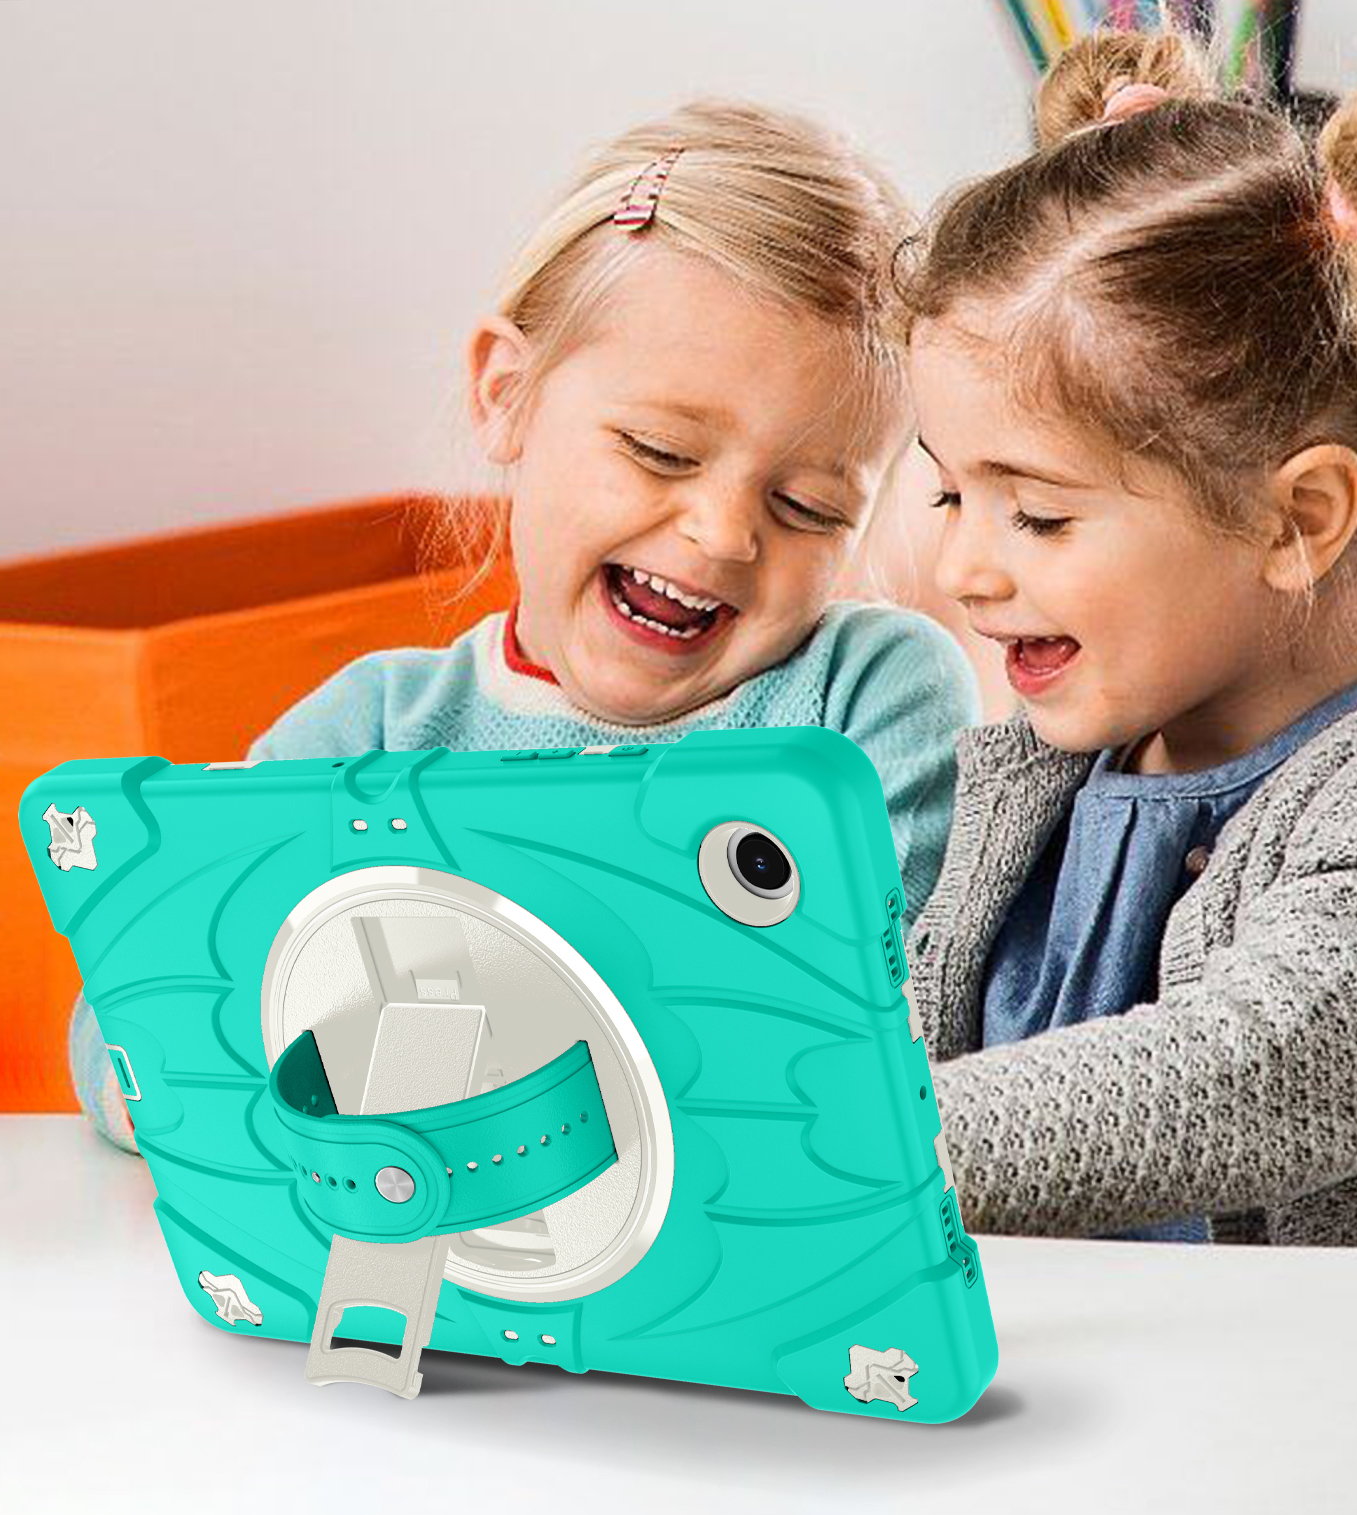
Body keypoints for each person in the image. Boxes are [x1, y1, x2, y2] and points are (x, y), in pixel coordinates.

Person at [72, 99, 979, 1153]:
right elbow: (124, 1033)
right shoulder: (371, 730)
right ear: (506, 396)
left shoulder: (872, 695)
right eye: (660, 451)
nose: (725, 533)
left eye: (807, 507)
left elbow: (841, 1031)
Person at [902, 30, 1357, 1245]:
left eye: (1037, 514)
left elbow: (1236, 1075)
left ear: (1296, 518)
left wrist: (825, 1145)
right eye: (948, 493)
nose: (961, 571)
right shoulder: (1038, 773)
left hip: (1349, 1372)